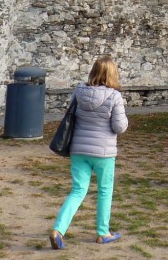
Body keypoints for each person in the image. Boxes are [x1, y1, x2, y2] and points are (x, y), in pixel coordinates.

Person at [50, 55, 128, 249]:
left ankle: (58, 230)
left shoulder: (78, 91)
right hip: (104, 152)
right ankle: (103, 232)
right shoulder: (114, 96)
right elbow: (119, 127)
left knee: (77, 190)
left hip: (79, 149)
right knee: (104, 191)